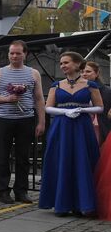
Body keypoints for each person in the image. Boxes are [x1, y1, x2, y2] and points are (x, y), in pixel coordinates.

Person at [38, 51, 102, 217]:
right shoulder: (56, 85)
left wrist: (83, 109)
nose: (63, 66)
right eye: (61, 63)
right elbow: (48, 107)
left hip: (82, 126)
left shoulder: (90, 85)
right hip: (62, 126)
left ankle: (84, 204)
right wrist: (64, 112)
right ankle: (62, 203)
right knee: (62, 160)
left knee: (82, 161)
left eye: (66, 62)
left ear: (76, 64)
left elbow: (100, 107)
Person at [0, 40, 45, 204]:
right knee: (2, 156)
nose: (14, 56)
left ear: (25, 54)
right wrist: (6, 99)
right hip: (4, 119)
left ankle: (21, 191)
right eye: (12, 53)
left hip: (26, 119)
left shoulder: (33, 73)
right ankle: (3, 190)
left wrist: (41, 122)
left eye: (18, 53)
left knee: (23, 157)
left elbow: (39, 99)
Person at [83, 61, 110, 143]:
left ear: (97, 73)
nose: (84, 74)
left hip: (100, 131)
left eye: (88, 71)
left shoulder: (107, 92)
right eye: (82, 72)